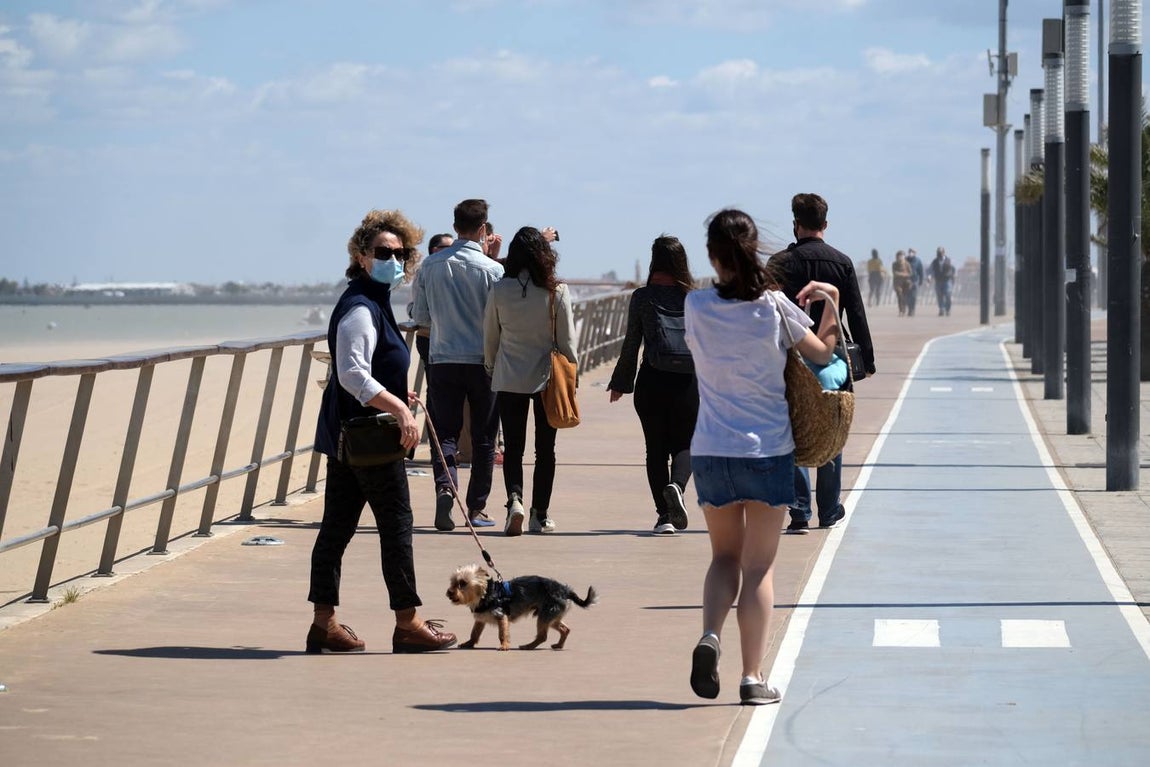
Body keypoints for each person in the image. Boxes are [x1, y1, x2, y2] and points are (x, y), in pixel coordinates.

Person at [684, 208, 841, 706]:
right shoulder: (773, 306)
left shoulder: (695, 305)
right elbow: (822, 354)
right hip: (768, 450)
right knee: (758, 568)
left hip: (710, 448)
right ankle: (752, 678)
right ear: (753, 250)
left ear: (712, 255)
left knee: (723, 558)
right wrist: (831, 304)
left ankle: (711, 634)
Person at [307, 208, 457, 654]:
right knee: (396, 526)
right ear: (361, 255)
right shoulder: (359, 307)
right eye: (384, 251)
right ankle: (407, 623)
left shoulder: (373, 301)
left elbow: (369, 369)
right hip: (367, 437)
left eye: (401, 252)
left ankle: (324, 624)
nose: (394, 258)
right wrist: (400, 410)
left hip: (349, 435)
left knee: (336, 529)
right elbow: (353, 374)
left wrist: (400, 396)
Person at [769, 193, 876, 535]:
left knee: (794, 428)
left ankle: (799, 508)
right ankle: (828, 509)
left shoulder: (779, 262)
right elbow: (856, 313)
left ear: (795, 223)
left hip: (791, 356)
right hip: (833, 356)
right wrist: (868, 360)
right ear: (825, 225)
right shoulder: (842, 262)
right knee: (832, 425)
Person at [411, 199, 504, 532]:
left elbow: (420, 316)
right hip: (484, 363)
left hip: (443, 359)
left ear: (454, 227)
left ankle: (445, 487)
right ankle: (477, 509)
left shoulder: (430, 266)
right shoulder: (494, 270)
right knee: (483, 437)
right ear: (483, 229)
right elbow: (501, 320)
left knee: (444, 433)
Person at [483, 227, 578, 535]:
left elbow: (490, 336)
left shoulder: (499, 289)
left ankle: (514, 500)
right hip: (546, 379)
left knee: (513, 447)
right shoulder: (556, 291)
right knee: (545, 449)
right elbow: (567, 342)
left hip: (509, 376)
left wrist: (491, 367)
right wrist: (571, 376)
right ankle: (540, 514)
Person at [607, 235, 699, 535]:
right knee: (685, 444)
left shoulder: (643, 297)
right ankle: (678, 487)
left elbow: (631, 343)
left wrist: (621, 382)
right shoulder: (694, 298)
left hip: (652, 381)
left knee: (655, 450)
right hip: (688, 383)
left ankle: (665, 517)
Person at [929, 246, 956, 316]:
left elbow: (954, 270)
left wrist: (954, 277)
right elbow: (930, 270)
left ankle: (948, 309)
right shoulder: (934, 261)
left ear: (944, 253)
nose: (939, 254)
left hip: (947, 280)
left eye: (941, 252)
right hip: (938, 281)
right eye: (938, 252)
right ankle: (941, 309)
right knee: (939, 295)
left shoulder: (949, 260)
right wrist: (929, 277)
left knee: (948, 294)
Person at [891, 250, 911, 316]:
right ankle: (901, 310)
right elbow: (895, 273)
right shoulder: (894, 264)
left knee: (904, 297)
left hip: (906, 283)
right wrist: (904, 274)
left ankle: (904, 309)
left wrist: (901, 274)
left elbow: (910, 273)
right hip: (897, 283)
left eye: (902, 256)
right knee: (899, 296)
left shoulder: (907, 264)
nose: (901, 257)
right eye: (899, 256)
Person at [905, 247, 924, 317]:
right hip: (906, 281)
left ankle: (912, 310)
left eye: (912, 252)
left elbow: (921, 271)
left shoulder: (918, 261)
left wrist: (921, 280)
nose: (910, 253)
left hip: (915, 280)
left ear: (915, 253)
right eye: (910, 251)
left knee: (913, 296)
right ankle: (909, 308)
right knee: (907, 296)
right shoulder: (905, 260)